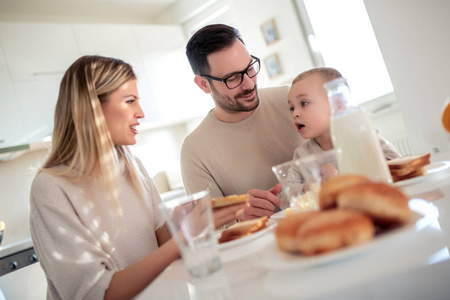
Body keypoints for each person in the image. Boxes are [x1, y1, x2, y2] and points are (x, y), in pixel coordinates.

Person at [29, 55, 244, 300]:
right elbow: (96, 293)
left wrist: (206, 214)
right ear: (93, 108)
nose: (140, 113)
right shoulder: (51, 187)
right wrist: (182, 238)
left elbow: (160, 240)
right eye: (130, 101)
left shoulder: (129, 163)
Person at [181, 24, 305, 221]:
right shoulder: (194, 151)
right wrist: (237, 216)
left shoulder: (289, 100)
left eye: (249, 68)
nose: (249, 83)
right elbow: (208, 228)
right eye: (232, 78)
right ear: (204, 84)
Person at [287, 67, 400, 177]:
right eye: (292, 108)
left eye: (304, 103)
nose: (294, 113)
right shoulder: (302, 155)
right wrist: (308, 186)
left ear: (338, 104)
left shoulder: (365, 136)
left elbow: (396, 163)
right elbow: (287, 190)